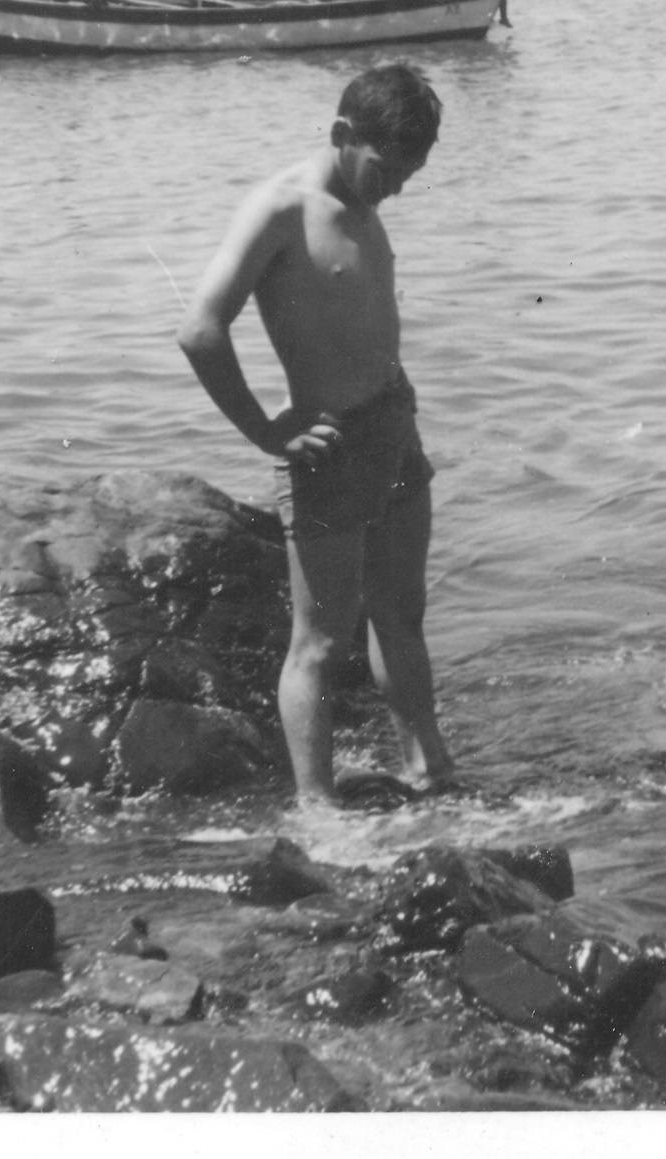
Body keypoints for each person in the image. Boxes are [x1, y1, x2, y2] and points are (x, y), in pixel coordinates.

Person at [177, 64, 452, 803]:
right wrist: (265, 431)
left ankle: (429, 768)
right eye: (388, 168)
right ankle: (316, 804)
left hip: (395, 426)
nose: (396, 186)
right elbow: (201, 329)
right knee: (321, 643)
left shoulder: (362, 201)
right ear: (341, 135)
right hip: (329, 445)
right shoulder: (279, 210)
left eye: (410, 173)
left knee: (401, 614)